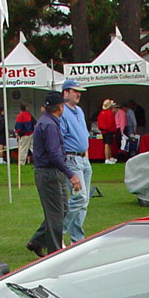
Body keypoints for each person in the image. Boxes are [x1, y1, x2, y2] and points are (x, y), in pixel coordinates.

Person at [27, 91, 82, 257]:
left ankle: (37, 240)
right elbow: (54, 154)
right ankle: (55, 253)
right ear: (60, 107)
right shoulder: (50, 125)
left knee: (62, 209)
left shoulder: (48, 122)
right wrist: (71, 174)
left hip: (50, 172)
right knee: (56, 215)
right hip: (49, 173)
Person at [59, 78, 91, 246]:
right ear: (66, 93)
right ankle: (58, 233)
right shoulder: (62, 111)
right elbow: (61, 138)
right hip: (71, 158)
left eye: (79, 91)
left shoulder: (79, 110)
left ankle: (77, 240)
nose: (78, 94)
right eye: (75, 91)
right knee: (80, 198)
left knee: (84, 202)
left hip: (84, 158)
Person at [98, 98, 118, 164]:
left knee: (108, 144)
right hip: (108, 130)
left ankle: (109, 157)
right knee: (107, 144)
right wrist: (113, 130)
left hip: (104, 130)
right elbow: (111, 122)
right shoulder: (109, 113)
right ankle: (107, 158)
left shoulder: (101, 113)